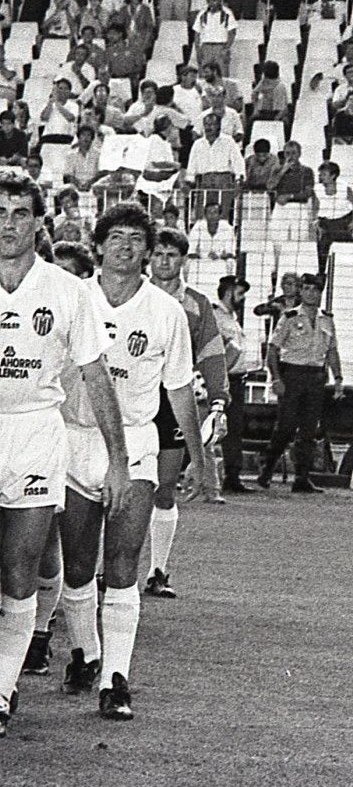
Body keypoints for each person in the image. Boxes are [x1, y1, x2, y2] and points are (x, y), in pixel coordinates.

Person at [0, 171, 131, 740]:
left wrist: (118, 459)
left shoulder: (67, 290)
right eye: (0, 212)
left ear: (39, 221)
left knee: (21, 570)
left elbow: (96, 376)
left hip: (36, 431)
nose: (8, 224)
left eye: (20, 213)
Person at [54, 204, 210, 726]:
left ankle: (114, 679)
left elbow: (180, 389)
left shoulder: (166, 312)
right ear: (98, 246)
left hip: (138, 444)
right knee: (78, 567)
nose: (125, 246)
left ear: (147, 249)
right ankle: (85, 652)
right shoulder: (72, 297)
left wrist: (198, 458)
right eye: (115, 236)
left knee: (122, 565)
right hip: (75, 440)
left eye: (135, 238)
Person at [143, 229, 229, 598]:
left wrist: (219, 400)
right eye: (158, 254)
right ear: (149, 257)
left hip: (172, 400)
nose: (164, 261)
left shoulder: (197, 304)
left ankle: (157, 571)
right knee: (115, 488)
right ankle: (106, 570)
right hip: (131, 398)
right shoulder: (132, 294)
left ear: (183, 260)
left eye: (172, 255)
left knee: (165, 487)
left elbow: (212, 355)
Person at [259, 274, 342, 492]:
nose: (311, 294)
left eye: (315, 290)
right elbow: (273, 350)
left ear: (320, 293)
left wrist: (338, 378)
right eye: (306, 289)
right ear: (301, 292)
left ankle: (302, 478)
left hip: (315, 377)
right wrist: (276, 378)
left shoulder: (327, 320)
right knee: (285, 427)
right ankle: (267, 470)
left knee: (309, 430)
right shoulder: (289, 317)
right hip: (292, 374)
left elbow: (332, 351)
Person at [214, 275, 258, 493]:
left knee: (234, 428)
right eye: (240, 293)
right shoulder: (215, 316)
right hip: (224, 378)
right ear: (229, 292)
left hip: (237, 379)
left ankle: (232, 475)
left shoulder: (231, 318)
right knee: (213, 426)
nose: (243, 299)